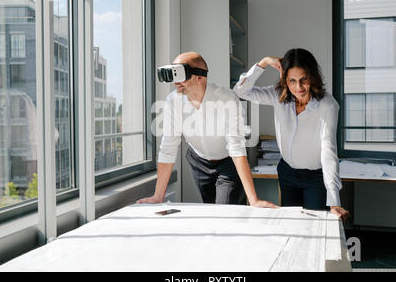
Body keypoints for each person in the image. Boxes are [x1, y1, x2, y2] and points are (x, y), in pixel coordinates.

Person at [138, 52, 276, 208]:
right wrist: (158, 196)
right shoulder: (173, 101)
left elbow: (236, 148)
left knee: (225, 211)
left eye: (181, 74)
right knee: (210, 209)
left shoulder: (227, 99)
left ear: (200, 77)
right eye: (173, 74)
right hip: (198, 161)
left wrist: (254, 200)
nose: (176, 81)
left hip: (227, 163)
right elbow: (168, 148)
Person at [233, 48, 349, 220]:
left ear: (312, 77)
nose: (298, 87)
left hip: (315, 177)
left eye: (304, 80)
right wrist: (263, 63)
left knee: (313, 224)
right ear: (284, 80)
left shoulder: (328, 105)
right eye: (292, 81)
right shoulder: (278, 95)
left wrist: (334, 201)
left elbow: (328, 149)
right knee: (292, 222)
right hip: (287, 173)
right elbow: (240, 91)